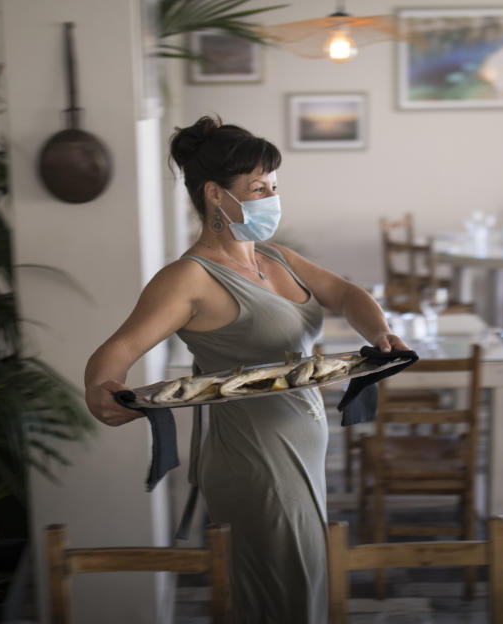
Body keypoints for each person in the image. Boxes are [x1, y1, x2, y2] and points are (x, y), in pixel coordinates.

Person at [84, 115, 409, 622]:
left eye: (274, 186)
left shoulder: (275, 256)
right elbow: (119, 348)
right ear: (216, 194)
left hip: (299, 453)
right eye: (258, 188)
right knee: (287, 600)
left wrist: (380, 333)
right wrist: (99, 386)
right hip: (256, 463)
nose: (270, 198)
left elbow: (346, 293)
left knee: (299, 593)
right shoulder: (188, 279)